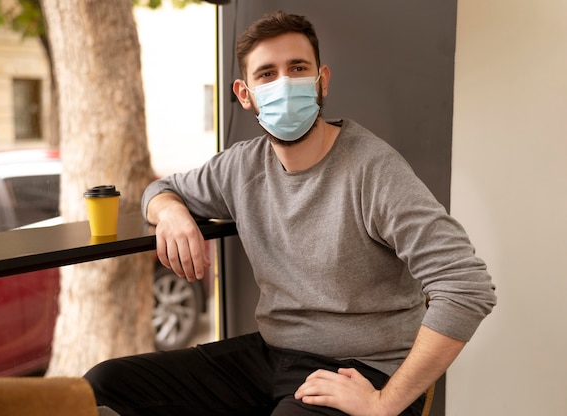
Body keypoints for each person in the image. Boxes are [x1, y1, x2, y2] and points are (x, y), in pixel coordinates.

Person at [84, 10, 496, 416]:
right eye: (266, 74)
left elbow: (467, 285)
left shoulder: (373, 169)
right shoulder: (240, 166)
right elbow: (160, 189)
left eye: (298, 68)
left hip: (361, 369)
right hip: (271, 355)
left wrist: (385, 403)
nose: (284, 83)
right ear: (245, 94)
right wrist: (170, 211)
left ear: (322, 81)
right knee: (100, 387)